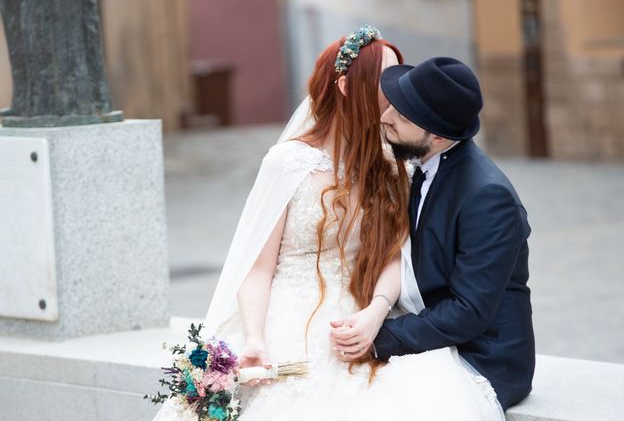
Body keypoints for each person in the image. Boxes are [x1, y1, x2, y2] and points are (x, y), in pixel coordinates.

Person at [152, 28, 504, 420]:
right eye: (386, 82)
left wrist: (376, 310)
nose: (399, 90)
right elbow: (257, 267)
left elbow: (395, 255)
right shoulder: (286, 164)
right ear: (346, 87)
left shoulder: (395, 163)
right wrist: (254, 336)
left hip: (363, 311)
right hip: (286, 314)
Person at [357, 56, 536, 411]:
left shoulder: (488, 197)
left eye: (402, 117)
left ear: (437, 136)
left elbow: (468, 311)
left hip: (482, 356)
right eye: (392, 104)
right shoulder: (424, 165)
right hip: (429, 331)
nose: (385, 117)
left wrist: (378, 339)